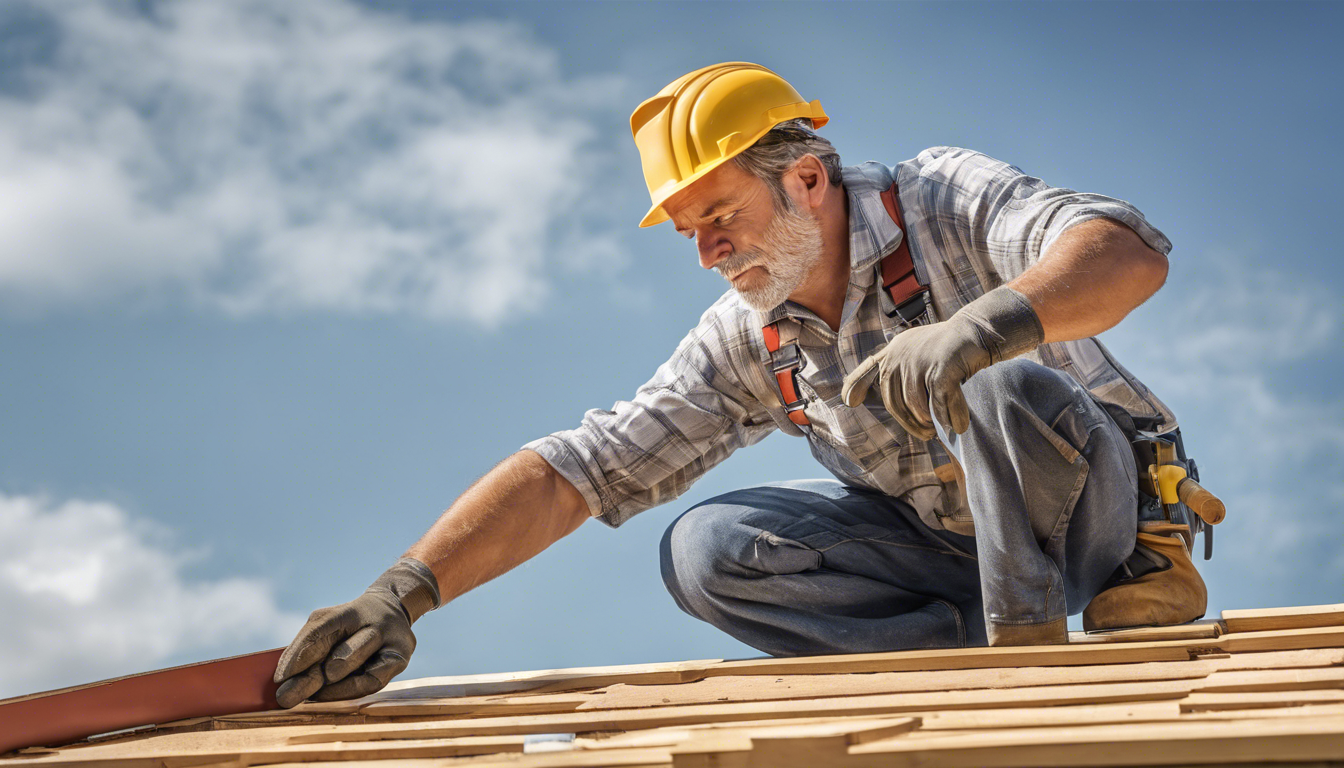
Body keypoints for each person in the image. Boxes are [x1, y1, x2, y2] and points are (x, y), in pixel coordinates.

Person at [271, 62, 1207, 708]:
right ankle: (949, 661)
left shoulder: (944, 201)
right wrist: (403, 592)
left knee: (998, 383)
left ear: (806, 178)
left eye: (721, 215)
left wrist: (979, 327)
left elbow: (1124, 254)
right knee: (708, 549)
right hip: (939, 554)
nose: (709, 250)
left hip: (1091, 517)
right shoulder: (750, 338)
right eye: (689, 231)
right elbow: (581, 470)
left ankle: (1034, 659)